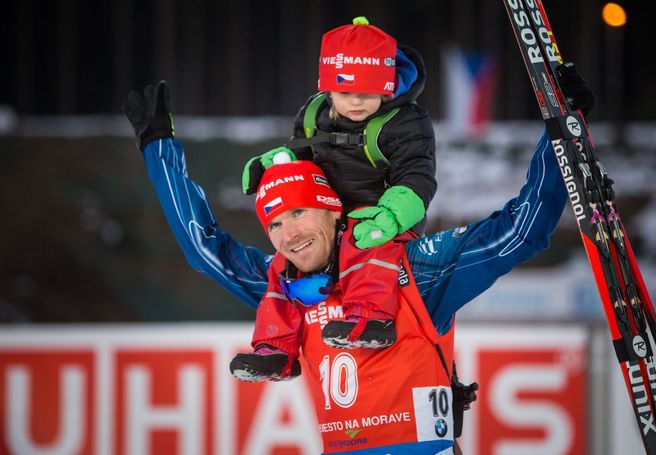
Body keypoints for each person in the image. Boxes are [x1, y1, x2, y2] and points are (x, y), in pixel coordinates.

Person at [121, 67, 594, 455]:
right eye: (275, 225)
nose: (289, 236)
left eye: (299, 213)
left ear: (332, 210)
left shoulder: (412, 271)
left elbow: (521, 230)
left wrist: (562, 131)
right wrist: (160, 149)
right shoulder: (285, 291)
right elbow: (207, 250)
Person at [240, 17, 437, 365]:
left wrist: (389, 216)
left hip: (384, 220)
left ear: (386, 87)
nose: (356, 102)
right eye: (346, 93)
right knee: (283, 263)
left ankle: (371, 318)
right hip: (329, 218)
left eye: (368, 93)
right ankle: (276, 350)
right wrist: (275, 162)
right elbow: (302, 154)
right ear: (328, 88)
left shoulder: (406, 122)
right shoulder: (315, 113)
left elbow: (418, 177)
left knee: (362, 242)